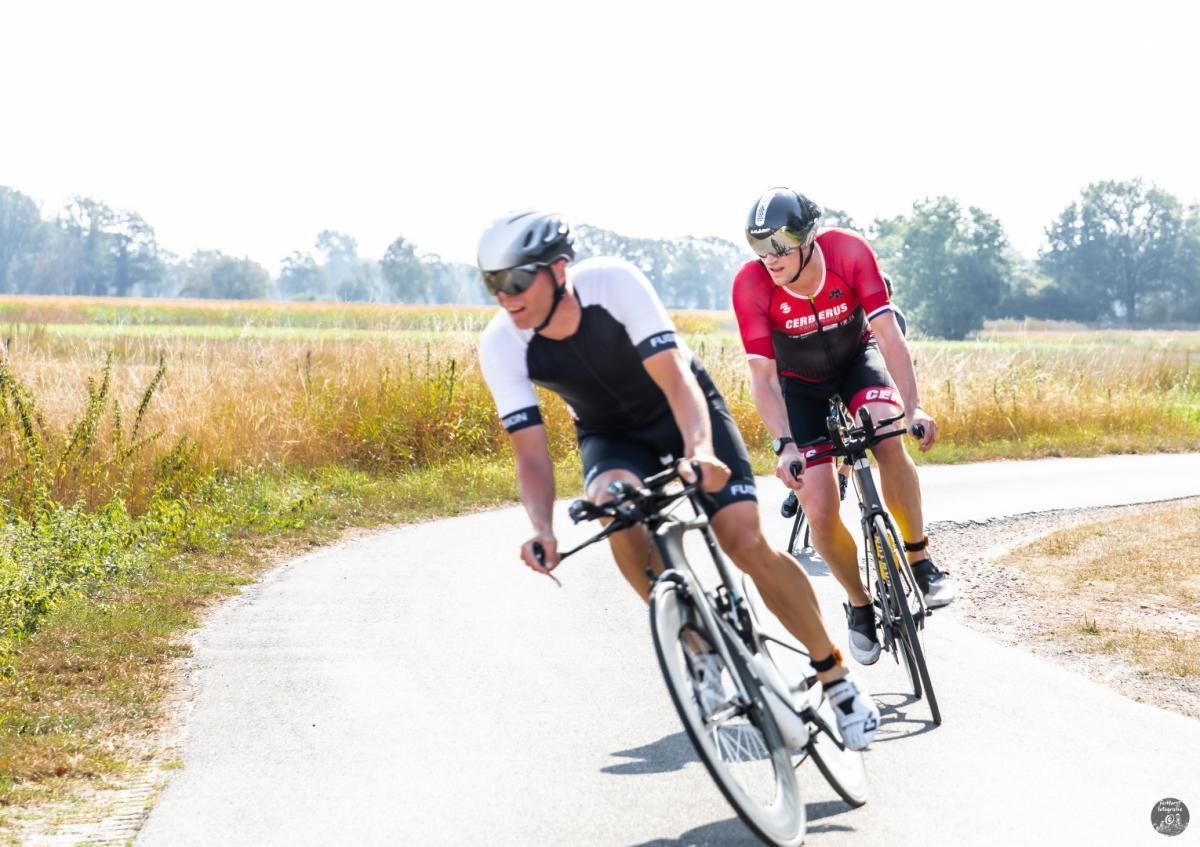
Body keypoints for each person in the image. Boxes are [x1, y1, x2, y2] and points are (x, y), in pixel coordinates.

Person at [476, 209, 879, 749]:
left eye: (517, 279)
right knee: (614, 512)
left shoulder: (612, 284)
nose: (506, 295)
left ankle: (834, 676)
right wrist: (542, 528)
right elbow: (530, 455)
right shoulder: (502, 342)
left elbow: (676, 381)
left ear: (558, 269)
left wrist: (701, 451)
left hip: (685, 409)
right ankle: (699, 648)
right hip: (610, 435)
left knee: (744, 540)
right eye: (493, 283)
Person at [731, 188, 956, 667]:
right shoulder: (751, 286)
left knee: (888, 433)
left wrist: (913, 407)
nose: (769, 259)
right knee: (817, 501)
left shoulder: (848, 252)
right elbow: (764, 378)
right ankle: (859, 605)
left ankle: (919, 561)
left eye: (779, 247)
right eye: (759, 249)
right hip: (799, 385)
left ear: (808, 238)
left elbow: (889, 336)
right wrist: (784, 444)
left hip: (857, 360)